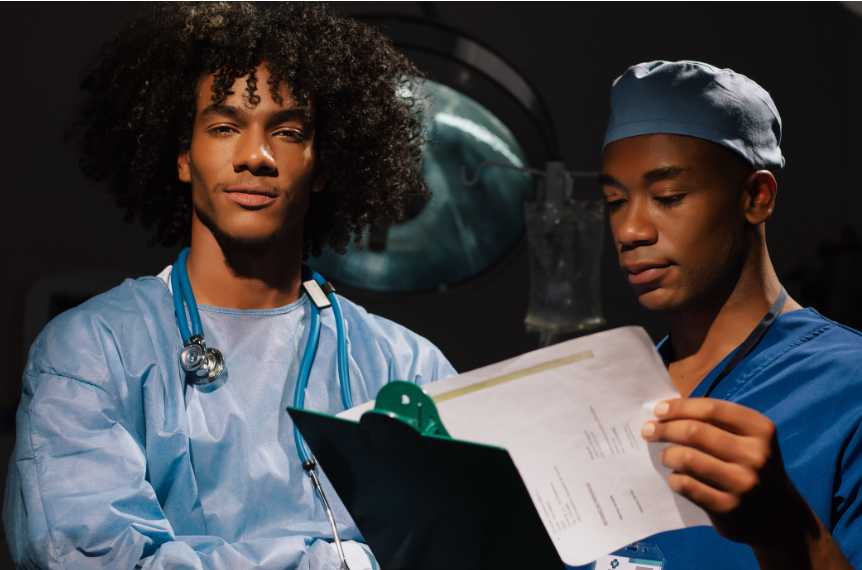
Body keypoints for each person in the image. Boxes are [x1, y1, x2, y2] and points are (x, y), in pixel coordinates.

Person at [2, 4, 455, 570]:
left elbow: (467, 545)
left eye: (287, 132)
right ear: (183, 155)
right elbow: (94, 558)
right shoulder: (91, 352)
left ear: (321, 166)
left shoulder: (409, 370)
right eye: (224, 127)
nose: (255, 157)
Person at [599, 61, 862, 569]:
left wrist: (790, 533)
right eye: (614, 200)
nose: (630, 230)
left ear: (756, 197)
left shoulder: (847, 392)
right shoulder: (604, 398)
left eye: (668, 197)